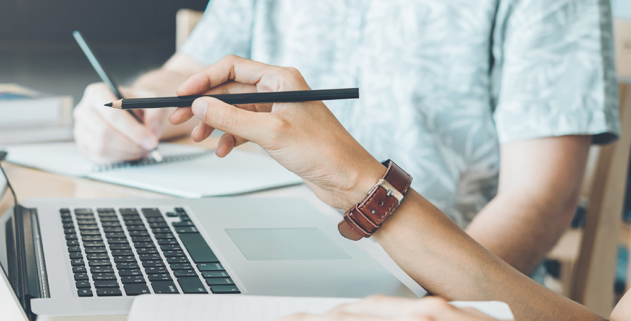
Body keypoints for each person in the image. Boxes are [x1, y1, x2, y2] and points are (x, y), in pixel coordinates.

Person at [73, 0, 620, 276]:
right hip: (257, 249)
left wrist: (427, 301)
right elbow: (182, 78)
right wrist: (132, 108)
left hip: (441, 275)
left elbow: (539, 198)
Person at [171, 55, 619, 321]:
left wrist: (431, 304)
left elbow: (541, 196)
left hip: (449, 283)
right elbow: (186, 69)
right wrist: (353, 180)